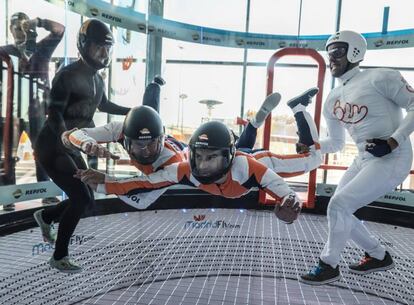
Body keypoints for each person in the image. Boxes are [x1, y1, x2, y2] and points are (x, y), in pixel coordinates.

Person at [67, 89, 320, 210]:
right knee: (240, 148)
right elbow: (147, 183)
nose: (205, 165)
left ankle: (298, 107)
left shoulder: (249, 166)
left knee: (312, 160)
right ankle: (255, 121)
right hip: (235, 162)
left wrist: (290, 204)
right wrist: (103, 181)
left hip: (251, 163)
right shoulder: (187, 168)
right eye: (199, 157)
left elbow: (283, 190)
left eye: (211, 159)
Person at [300, 30, 414, 285]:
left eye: (337, 51)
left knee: (339, 205)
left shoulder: (381, 77)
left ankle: (328, 264)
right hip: (364, 159)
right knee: (340, 209)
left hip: (394, 157)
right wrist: (313, 146)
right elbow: (337, 143)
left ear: (354, 52)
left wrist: (394, 140)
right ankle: (378, 255)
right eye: (328, 53)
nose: (332, 58)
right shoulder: (332, 99)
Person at [32, 19, 131, 273]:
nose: (104, 53)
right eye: (99, 47)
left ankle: (47, 217)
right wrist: (68, 137)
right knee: (80, 197)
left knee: (85, 198)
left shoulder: (97, 80)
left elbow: (105, 106)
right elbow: (54, 114)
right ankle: (58, 256)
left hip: (72, 146)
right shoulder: (68, 74)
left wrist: (136, 111)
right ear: (84, 45)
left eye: (108, 48)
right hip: (52, 146)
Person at [0, 12, 65, 210]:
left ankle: (46, 193)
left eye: (23, 26)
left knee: (43, 152)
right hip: (11, 112)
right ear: (10, 30)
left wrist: (40, 22)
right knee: (7, 157)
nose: (20, 30)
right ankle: (8, 197)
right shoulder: (4, 51)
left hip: (37, 110)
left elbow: (60, 29)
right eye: (16, 26)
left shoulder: (42, 47)